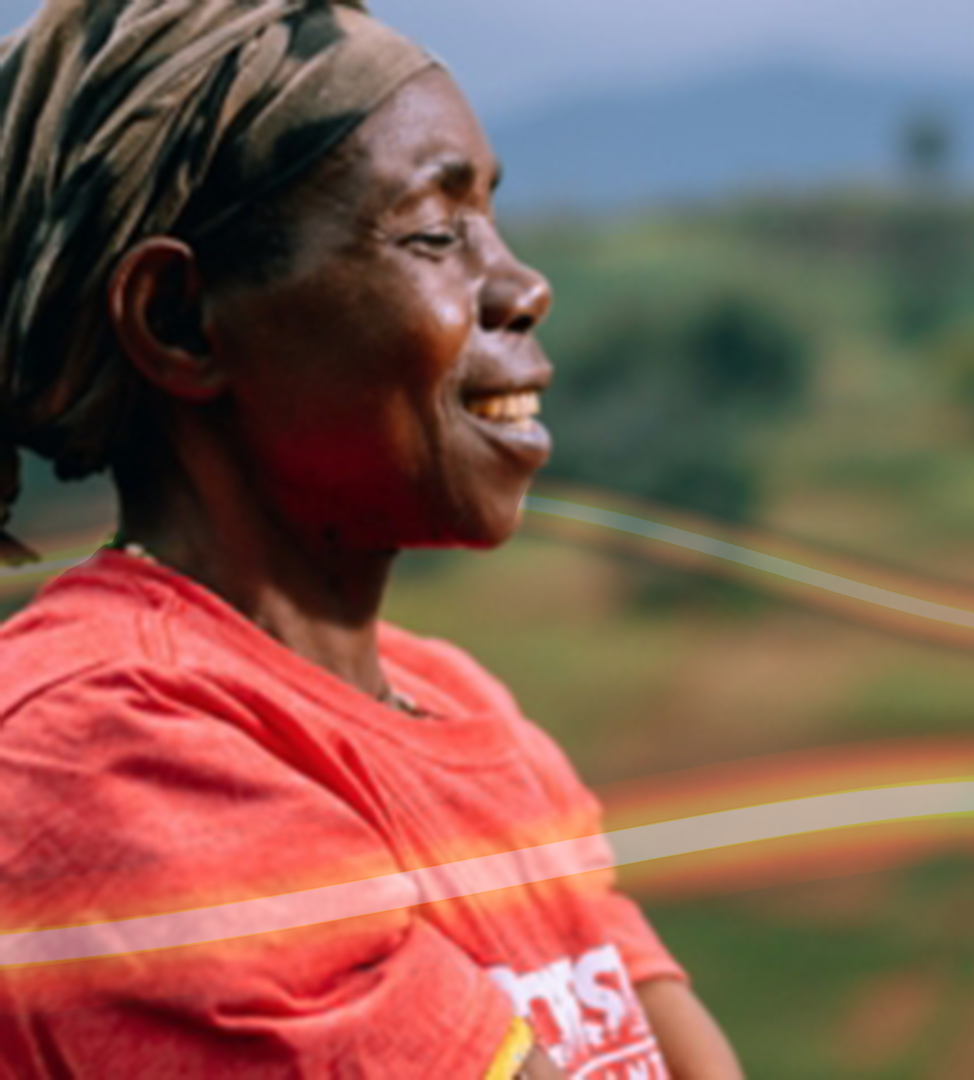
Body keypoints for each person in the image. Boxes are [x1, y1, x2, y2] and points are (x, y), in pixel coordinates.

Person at [0, 1, 742, 1077]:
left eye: (492, 221)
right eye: (437, 235)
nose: (524, 289)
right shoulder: (95, 749)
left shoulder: (463, 706)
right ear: (179, 321)